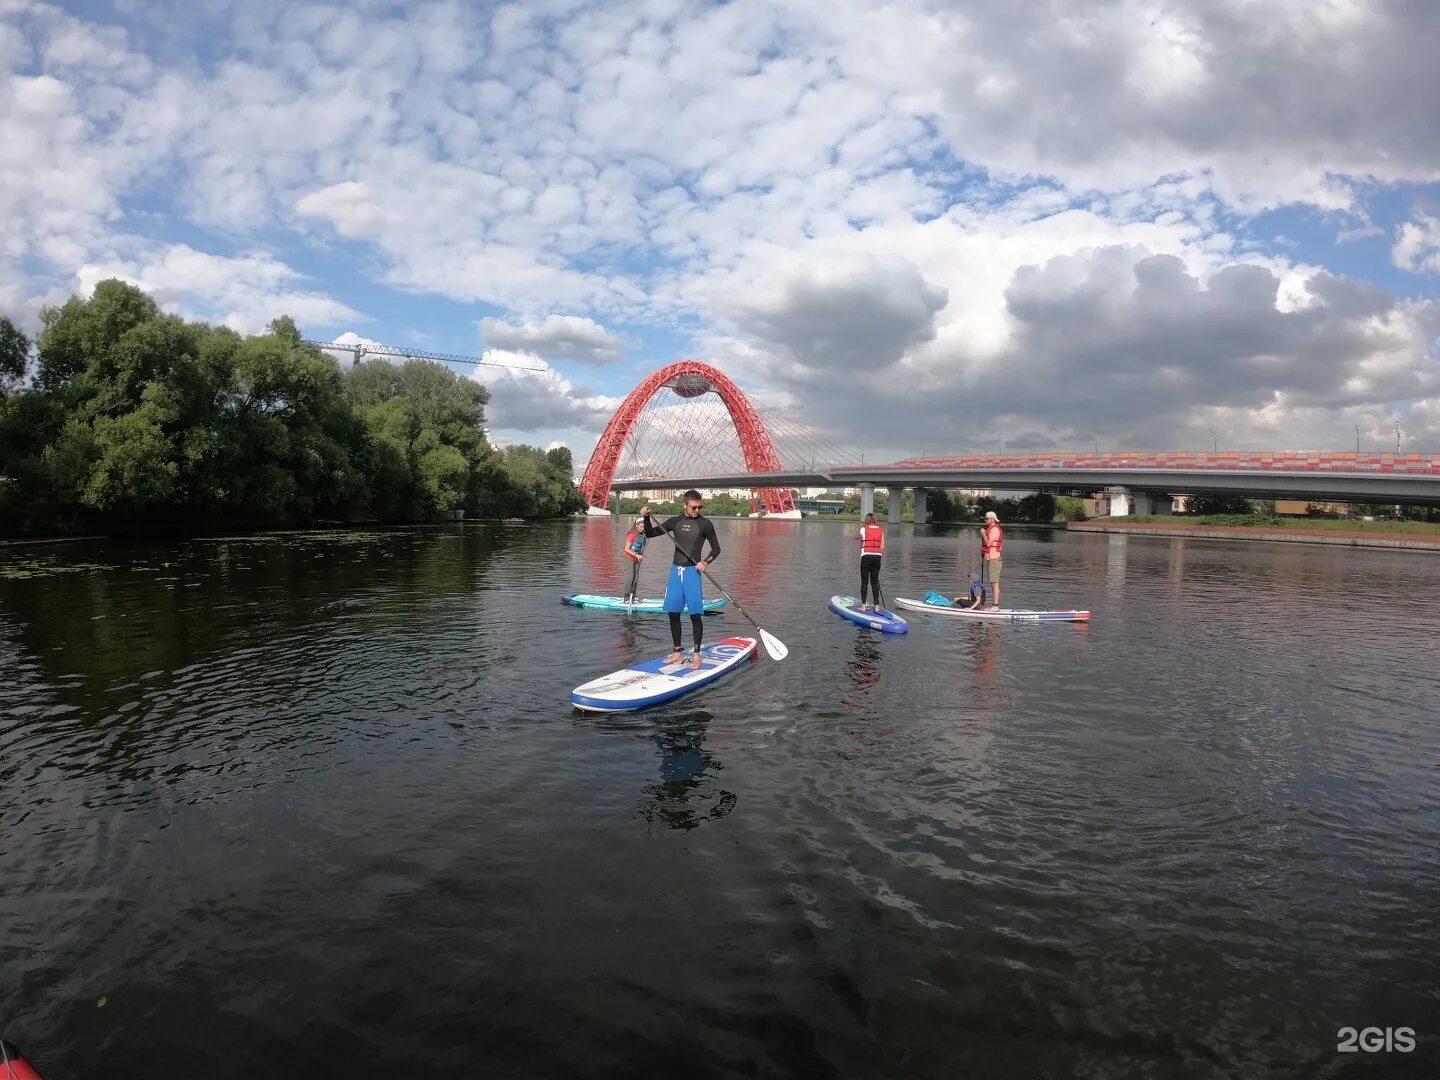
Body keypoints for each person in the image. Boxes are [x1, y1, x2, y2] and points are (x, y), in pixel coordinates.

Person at [642, 490, 721, 670]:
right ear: (684, 505)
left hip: (693, 572)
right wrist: (646, 518)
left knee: (695, 615)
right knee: (673, 613)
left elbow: (716, 548)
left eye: (700, 507)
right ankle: (677, 652)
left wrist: (705, 562)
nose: (697, 510)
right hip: (675, 572)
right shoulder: (675, 521)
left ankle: (696, 655)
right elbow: (650, 534)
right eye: (694, 507)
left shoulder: (705, 524)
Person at [857, 511, 885, 611]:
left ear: (867, 520)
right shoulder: (881, 529)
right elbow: (882, 546)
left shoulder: (864, 528)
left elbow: (856, 537)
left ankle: (863, 606)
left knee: (864, 582)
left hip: (866, 556)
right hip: (877, 557)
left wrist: (859, 530)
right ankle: (876, 606)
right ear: (875, 520)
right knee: (874, 582)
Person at [980, 509, 1004, 610]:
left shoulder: (994, 530)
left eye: (986, 519)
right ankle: (994, 605)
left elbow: (989, 544)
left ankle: (996, 605)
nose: (985, 520)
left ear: (992, 519)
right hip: (991, 558)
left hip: (994, 558)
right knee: (992, 582)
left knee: (994, 582)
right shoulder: (991, 529)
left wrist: (983, 533)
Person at [622, 516, 646, 603]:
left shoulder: (643, 535)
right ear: (636, 525)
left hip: (637, 558)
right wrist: (636, 555)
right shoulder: (632, 534)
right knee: (630, 578)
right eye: (641, 527)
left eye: (644, 527)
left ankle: (633, 595)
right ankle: (626, 597)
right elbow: (626, 549)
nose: (642, 529)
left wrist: (640, 556)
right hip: (629, 558)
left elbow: (642, 547)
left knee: (636, 578)